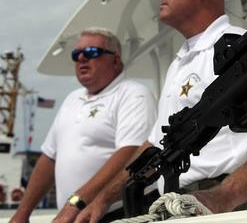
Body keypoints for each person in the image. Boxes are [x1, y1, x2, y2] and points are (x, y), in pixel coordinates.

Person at [75, 0, 247, 222]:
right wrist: (101, 200)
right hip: (176, 206)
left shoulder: (244, 49)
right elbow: (154, 146)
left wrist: (223, 197)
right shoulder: (180, 62)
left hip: (223, 207)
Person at [9, 28, 157, 223]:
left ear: (115, 60)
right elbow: (49, 157)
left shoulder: (133, 94)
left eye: (91, 52)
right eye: (76, 54)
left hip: (120, 214)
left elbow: (130, 153)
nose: (81, 59)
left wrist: (76, 202)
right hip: (75, 217)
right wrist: (23, 212)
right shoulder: (72, 99)